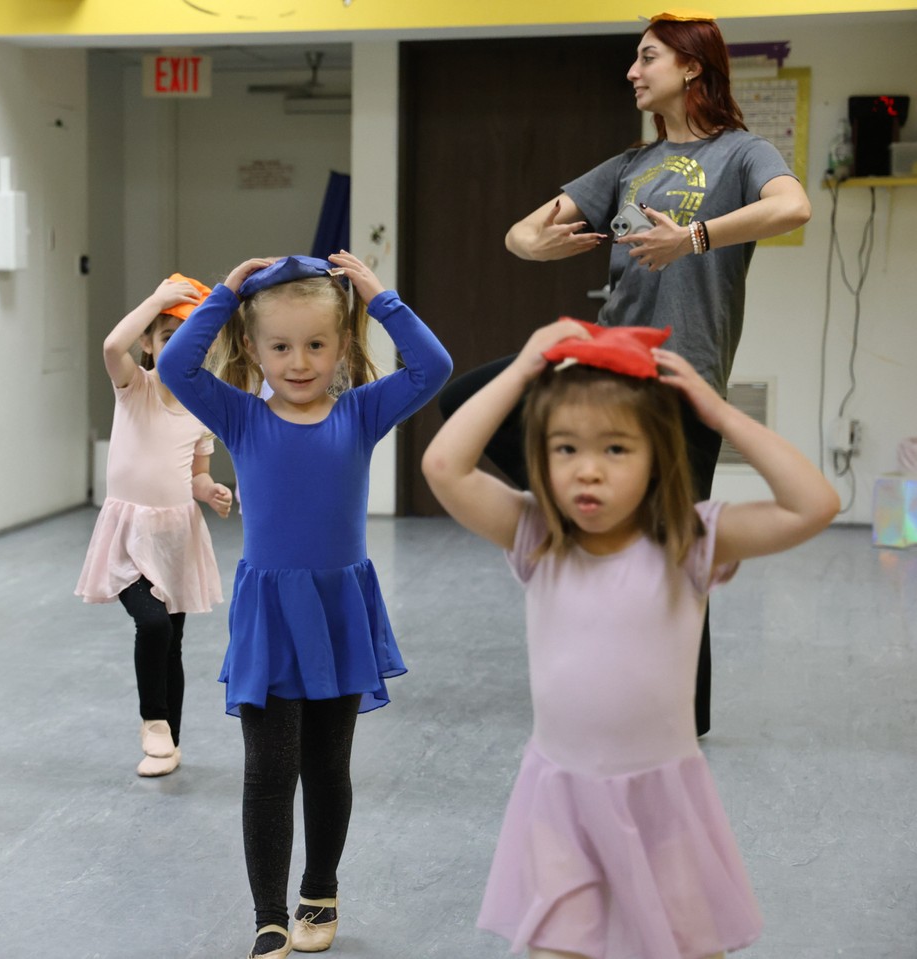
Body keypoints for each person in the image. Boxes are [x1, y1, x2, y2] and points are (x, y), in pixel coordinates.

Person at [439, 10, 812, 734]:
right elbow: (520, 230)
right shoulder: (626, 165)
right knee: (468, 395)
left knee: (683, 548)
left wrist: (694, 237)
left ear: (691, 67)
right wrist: (536, 247)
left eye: (647, 58)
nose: (633, 72)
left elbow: (791, 206)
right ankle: (586, 527)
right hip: (610, 369)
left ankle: (682, 720)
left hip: (685, 374)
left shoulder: (740, 153)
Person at [422, 319, 838, 959]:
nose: (588, 471)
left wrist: (717, 411)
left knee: (687, 947)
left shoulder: (689, 540)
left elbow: (814, 504)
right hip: (562, 800)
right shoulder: (536, 535)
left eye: (616, 450)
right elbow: (444, 465)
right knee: (559, 948)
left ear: (657, 455)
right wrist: (525, 367)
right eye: (566, 449)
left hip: (663, 804)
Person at [158, 252, 452, 959]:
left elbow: (431, 367)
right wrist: (225, 295)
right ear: (253, 350)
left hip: (338, 607)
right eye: (280, 346)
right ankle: (267, 913)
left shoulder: (359, 412)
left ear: (342, 347)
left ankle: (319, 886)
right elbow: (173, 367)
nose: (298, 362)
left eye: (316, 344)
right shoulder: (240, 416)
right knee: (267, 768)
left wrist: (378, 296)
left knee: (326, 763)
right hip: (269, 613)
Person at [76, 274, 231, 778]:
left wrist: (210, 491)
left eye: (191, 344)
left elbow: (196, 474)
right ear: (150, 342)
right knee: (154, 623)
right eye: (167, 339)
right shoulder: (133, 387)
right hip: (128, 532)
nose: (177, 353)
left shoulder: (201, 410)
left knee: (174, 642)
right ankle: (153, 720)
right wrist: (158, 301)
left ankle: (170, 741)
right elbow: (110, 345)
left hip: (176, 536)